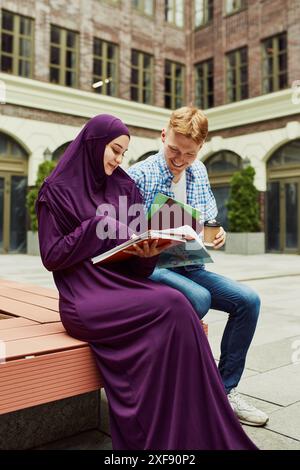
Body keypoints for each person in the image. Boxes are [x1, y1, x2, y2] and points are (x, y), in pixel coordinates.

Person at [36, 114, 257, 450]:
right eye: (114, 150)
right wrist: (93, 226)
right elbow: (52, 255)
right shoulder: (56, 191)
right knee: (176, 303)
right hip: (83, 297)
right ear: (94, 144)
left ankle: (198, 416)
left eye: (123, 153)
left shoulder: (122, 185)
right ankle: (159, 427)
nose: (118, 159)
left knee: (181, 307)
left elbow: (137, 267)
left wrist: (148, 251)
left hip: (124, 284)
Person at [127, 106, 269, 427]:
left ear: (200, 149)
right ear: (163, 136)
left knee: (249, 301)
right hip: (151, 269)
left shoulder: (200, 171)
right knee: (200, 299)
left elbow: (208, 219)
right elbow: (122, 237)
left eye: (188, 154)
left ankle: (224, 391)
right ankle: (191, 392)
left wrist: (218, 234)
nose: (179, 160)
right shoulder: (140, 174)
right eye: (173, 150)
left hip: (190, 265)